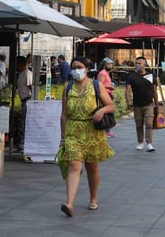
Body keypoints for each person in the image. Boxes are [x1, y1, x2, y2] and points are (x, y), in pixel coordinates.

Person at [59, 56, 115, 217]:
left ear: (86, 68)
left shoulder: (96, 86)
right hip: (73, 131)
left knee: (92, 166)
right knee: (74, 164)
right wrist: (62, 137)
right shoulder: (68, 87)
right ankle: (69, 203)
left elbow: (111, 105)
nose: (76, 70)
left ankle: (93, 198)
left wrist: (101, 110)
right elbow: (64, 115)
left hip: (92, 131)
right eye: (74, 67)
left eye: (79, 67)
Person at [125, 56, 158, 152]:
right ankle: (140, 142)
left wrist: (157, 103)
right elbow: (127, 90)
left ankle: (149, 143)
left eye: (139, 63)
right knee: (139, 125)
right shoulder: (131, 76)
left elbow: (154, 90)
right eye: (136, 63)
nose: (137, 65)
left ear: (145, 64)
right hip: (137, 105)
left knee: (149, 124)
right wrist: (128, 101)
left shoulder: (151, 75)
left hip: (149, 104)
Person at [16, 56, 32, 152]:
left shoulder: (27, 74)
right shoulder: (21, 73)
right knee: (24, 122)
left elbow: (31, 87)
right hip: (23, 100)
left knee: (26, 122)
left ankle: (23, 143)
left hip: (27, 100)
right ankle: (23, 142)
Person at [97, 57, 116, 138]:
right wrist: (109, 87)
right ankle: (106, 130)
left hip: (108, 94)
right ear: (104, 65)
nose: (110, 65)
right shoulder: (103, 73)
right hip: (105, 95)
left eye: (111, 64)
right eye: (108, 64)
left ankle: (107, 130)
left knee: (109, 113)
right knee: (109, 112)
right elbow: (99, 85)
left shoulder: (107, 73)